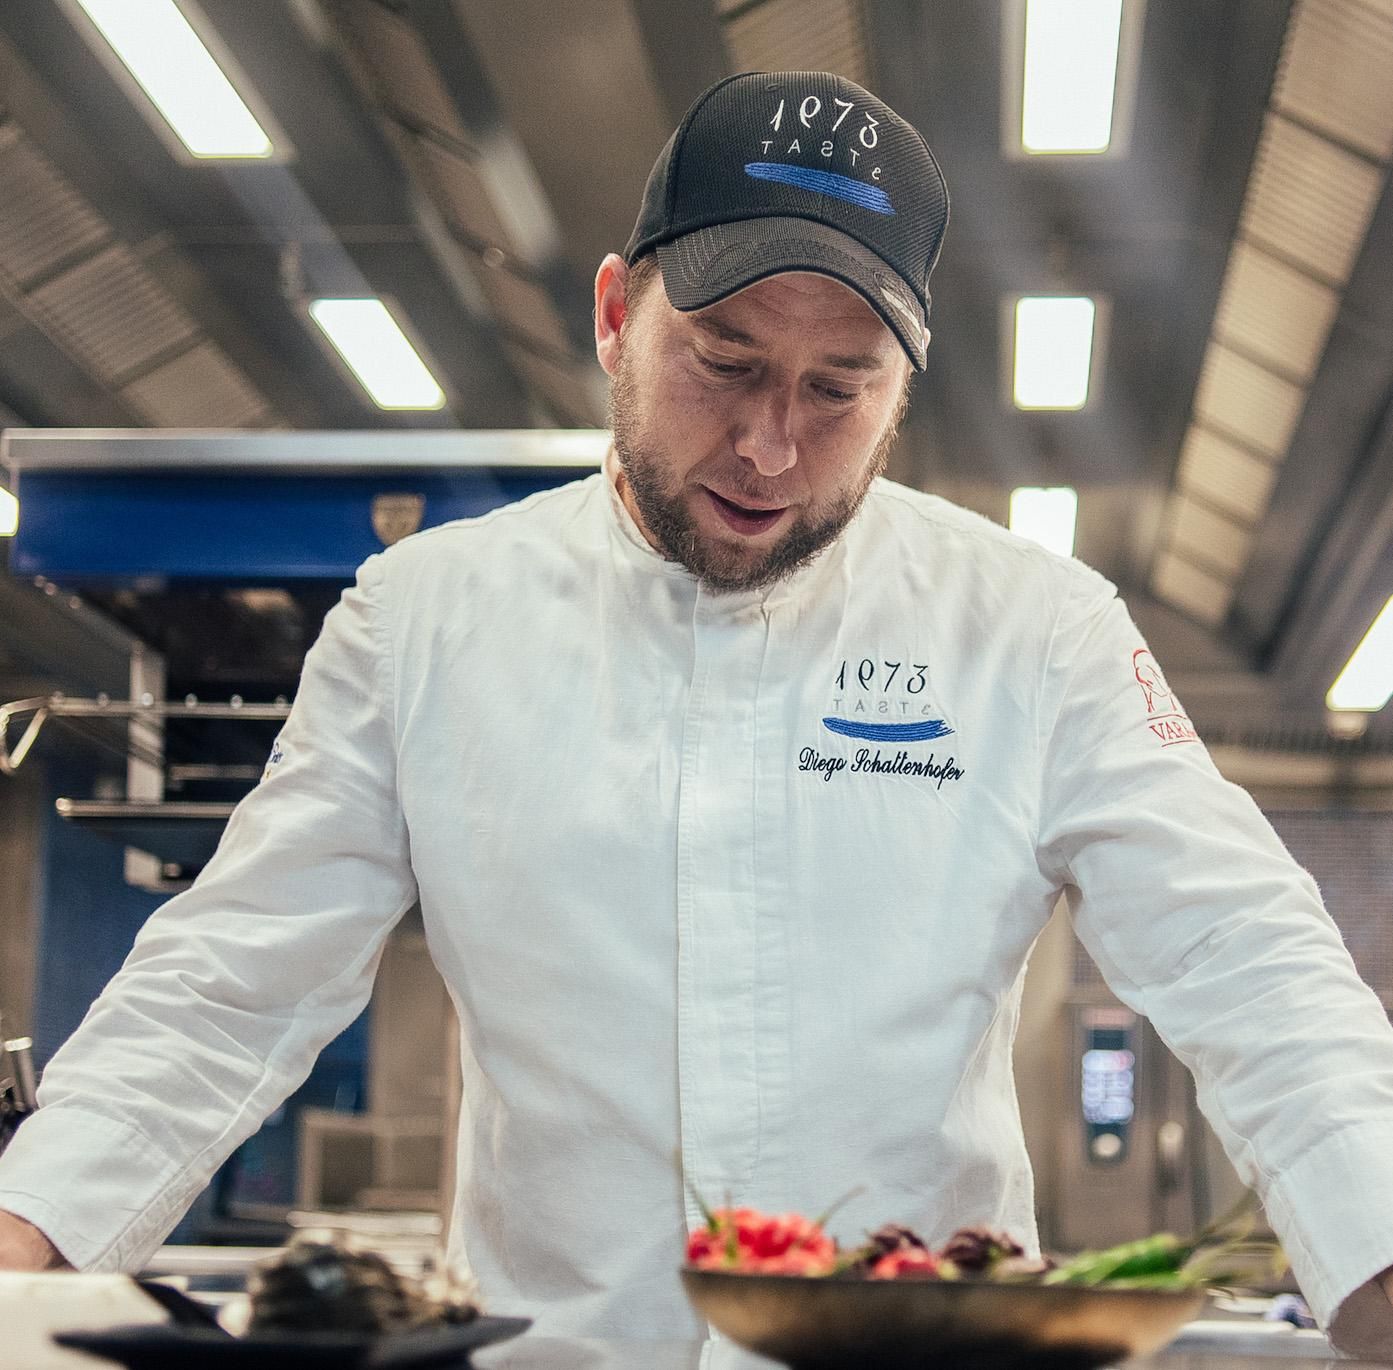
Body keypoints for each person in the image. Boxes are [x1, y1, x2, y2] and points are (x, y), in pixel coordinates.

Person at [1, 69, 1392, 1354]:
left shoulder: (1032, 630)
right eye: (722, 362)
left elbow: (1243, 955)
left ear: (902, 390)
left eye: (837, 390)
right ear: (614, 313)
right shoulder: (422, 618)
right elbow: (230, 984)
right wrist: (29, 1234)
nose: (770, 446)